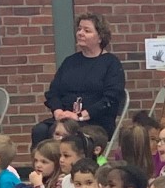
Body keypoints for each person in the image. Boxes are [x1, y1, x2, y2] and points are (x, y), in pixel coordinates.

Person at [34, 12, 126, 142]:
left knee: (75, 136)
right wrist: (58, 111)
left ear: (100, 37)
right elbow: (53, 92)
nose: (80, 33)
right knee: (40, 130)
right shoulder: (69, 62)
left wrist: (80, 116)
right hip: (65, 119)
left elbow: (110, 99)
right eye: (79, 29)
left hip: (95, 121)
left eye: (87, 30)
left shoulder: (111, 64)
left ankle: (94, 161)